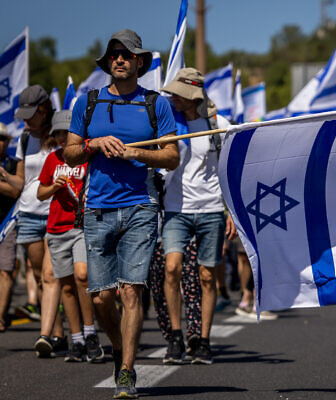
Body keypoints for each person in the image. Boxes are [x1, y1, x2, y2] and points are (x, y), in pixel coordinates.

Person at [64, 29, 179, 399]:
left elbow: (172, 156)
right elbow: (69, 153)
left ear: (139, 62)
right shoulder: (88, 103)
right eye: (114, 54)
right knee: (100, 298)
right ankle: (119, 348)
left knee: (131, 291)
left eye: (126, 55)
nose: (119, 59)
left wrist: (136, 153)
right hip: (97, 208)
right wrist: (93, 144)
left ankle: (127, 371)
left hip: (140, 206)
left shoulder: (155, 103)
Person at [158, 68, 236, 365]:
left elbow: (229, 170)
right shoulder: (168, 123)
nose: (172, 98)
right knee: (172, 268)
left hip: (211, 209)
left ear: (191, 95)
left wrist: (231, 211)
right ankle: (176, 337)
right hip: (176, 209)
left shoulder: (217, 124)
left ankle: (203, 340)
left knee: (206, 275)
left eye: (177, 93)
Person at [36, 110, 104, 361]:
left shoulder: (86, 159)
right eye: (59, 134)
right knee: (65, 286)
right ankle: (76, 339)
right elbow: (40, 193)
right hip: (56, 229)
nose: (63, 138)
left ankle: (90, 332)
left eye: (68, 133)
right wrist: (54, 186)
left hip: (81, 226)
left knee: (83, 276)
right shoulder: (52, 160)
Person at [11, 85, 67, 353]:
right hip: (30, 213)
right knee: (38, 275)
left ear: (44, 109)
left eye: (31, 114)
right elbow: (20, 182)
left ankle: (61, 333)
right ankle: (57, 334)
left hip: (57, 212)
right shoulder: (24, 139)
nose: (26, 120)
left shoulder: (59, 134)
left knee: (52, 276)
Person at [0, 122, 21, 332]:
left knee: (5, 270)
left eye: (2, 139)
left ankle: (0, 316)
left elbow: (16, 191)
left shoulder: (14, 165)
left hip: (7, 222)